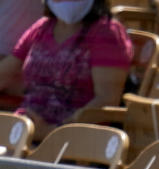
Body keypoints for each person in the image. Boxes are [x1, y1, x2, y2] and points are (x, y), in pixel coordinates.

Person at [0, 0, 132, 139]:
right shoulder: (41, 28)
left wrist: (52, 131)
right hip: (22, 131)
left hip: (75, 144)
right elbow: (4, 73)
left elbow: (106, 100)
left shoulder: (107, 33)